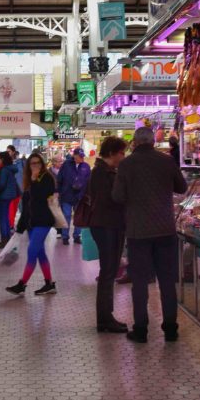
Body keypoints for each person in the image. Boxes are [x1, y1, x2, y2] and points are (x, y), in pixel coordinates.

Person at [112, 126, 188, 343]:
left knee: (139, 282)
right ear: (153, 142)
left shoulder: (126, 164)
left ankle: (141, 329)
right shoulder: (166, 161)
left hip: (138, 232)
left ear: (134, 143)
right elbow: (182, 188)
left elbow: (117, 196)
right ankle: (171, 328)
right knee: (166, 281)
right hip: (165, 230)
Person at [87, 137, 129, 334]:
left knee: (109, 271)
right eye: (122, 152)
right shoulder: (101, 173)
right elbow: (110, 199)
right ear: (112, 153)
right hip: (106, 226)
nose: (124, 156)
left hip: (108, 225)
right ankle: (104, 319)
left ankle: (105, 317)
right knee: (108, 272)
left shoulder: (106, 171)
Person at [6, 153, 57, 296]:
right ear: (28, 166)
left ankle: (22, 284)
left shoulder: (47, 178)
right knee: (40, 253)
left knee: (32, 251)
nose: (35, 166)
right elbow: (27, 206)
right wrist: (20, 227)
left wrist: (35, 181)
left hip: (44, 221)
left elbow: (40, 197)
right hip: (31, 223)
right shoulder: (28, 181)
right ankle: (49, 283)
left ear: (42, 164)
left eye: (38, 163)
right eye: (32, 163)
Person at [56, 148, 91, 246]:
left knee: (78, 217)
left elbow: (89, 181)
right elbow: (59, 179)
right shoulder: (66, 165)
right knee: (66, 216)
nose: (82, 158)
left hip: (80, 197)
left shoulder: (86, 167)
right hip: (66, 195)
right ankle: (65, 237)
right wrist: (58, 191)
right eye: (80, 156)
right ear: (74, 155)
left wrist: (88, 194)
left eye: (82, 156)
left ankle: (77, 236)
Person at [0, 151, 20, 248]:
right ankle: (7, 237)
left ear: (3, 160)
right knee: (6, 217)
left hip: (3, 196)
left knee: (2, 218)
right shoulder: (11, 169)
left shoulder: (4, 170)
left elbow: (2, 184)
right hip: (9, 195)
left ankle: (4, 239)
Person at [6, 145, 23, 226]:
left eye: (9, 151)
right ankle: (11, 224)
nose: (7, 153)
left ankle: (24, 224)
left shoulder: (20, 162)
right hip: (11, 188)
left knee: (22, 207)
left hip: (20, 188)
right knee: (11, 208)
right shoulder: (6, 163)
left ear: (13, 152)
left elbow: (22, 174)